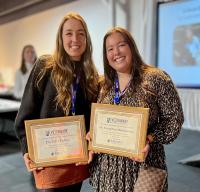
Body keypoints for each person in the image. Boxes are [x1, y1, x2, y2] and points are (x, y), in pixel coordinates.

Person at [88, 27, 184, 192]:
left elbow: (174, 118)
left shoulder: (156, 78)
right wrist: (93, 133)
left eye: (121, 45)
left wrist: (150, 138)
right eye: (109, 49)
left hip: (145, 169)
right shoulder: (103, 84)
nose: (116, 52)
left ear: (131, 47)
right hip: (108, 173)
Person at [15, 12, 99, 192]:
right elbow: (26, 113)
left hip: (76, 160)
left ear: (87, 39)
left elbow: (91, 119)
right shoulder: (45, 66)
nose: (75, 38)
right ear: (60, 38)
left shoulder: (89, 75)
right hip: (49, 158)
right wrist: (26, 148)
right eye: (69, 33)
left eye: (80, 33)